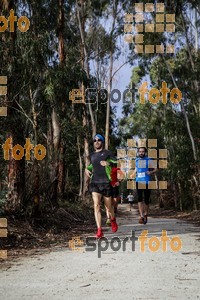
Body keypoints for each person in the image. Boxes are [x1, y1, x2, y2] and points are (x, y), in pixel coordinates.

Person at [85, 134, 118, 238]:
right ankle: (99, 230)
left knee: (109, 207)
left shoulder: (107, 153)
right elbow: (91, 166)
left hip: (106, 183)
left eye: (99, 140)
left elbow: (116, 162)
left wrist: (108, 163)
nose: (96, 142)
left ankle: (112, 219)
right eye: (95, 140)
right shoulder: (92, 155)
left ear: (102, 142)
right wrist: (86, 169)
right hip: (95, 183)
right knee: (96, 205)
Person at [135, 146, 157, 224]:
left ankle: (146, 214)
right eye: (140, 151)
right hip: (138, 181)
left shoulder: (149, 160)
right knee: (139, 198)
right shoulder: (136, 160)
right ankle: (141, 216)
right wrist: (133, 173)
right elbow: (135, 169)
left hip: (147, 181)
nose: (141, 153)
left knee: (146, 200)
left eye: (143, 151)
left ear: (145, 152)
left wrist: (150, 172)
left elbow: (155, 168)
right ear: (138, 152)